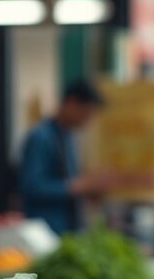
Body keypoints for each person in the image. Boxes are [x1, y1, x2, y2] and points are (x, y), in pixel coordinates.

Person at [18, 80, 111, 234]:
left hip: (68, 228)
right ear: (71, 103)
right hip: (45, 230)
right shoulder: (41, 137)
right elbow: (31, 187)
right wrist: (79, 186)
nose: (87, 121)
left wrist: (89, 190)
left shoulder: (68, 137)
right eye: (85, 114)